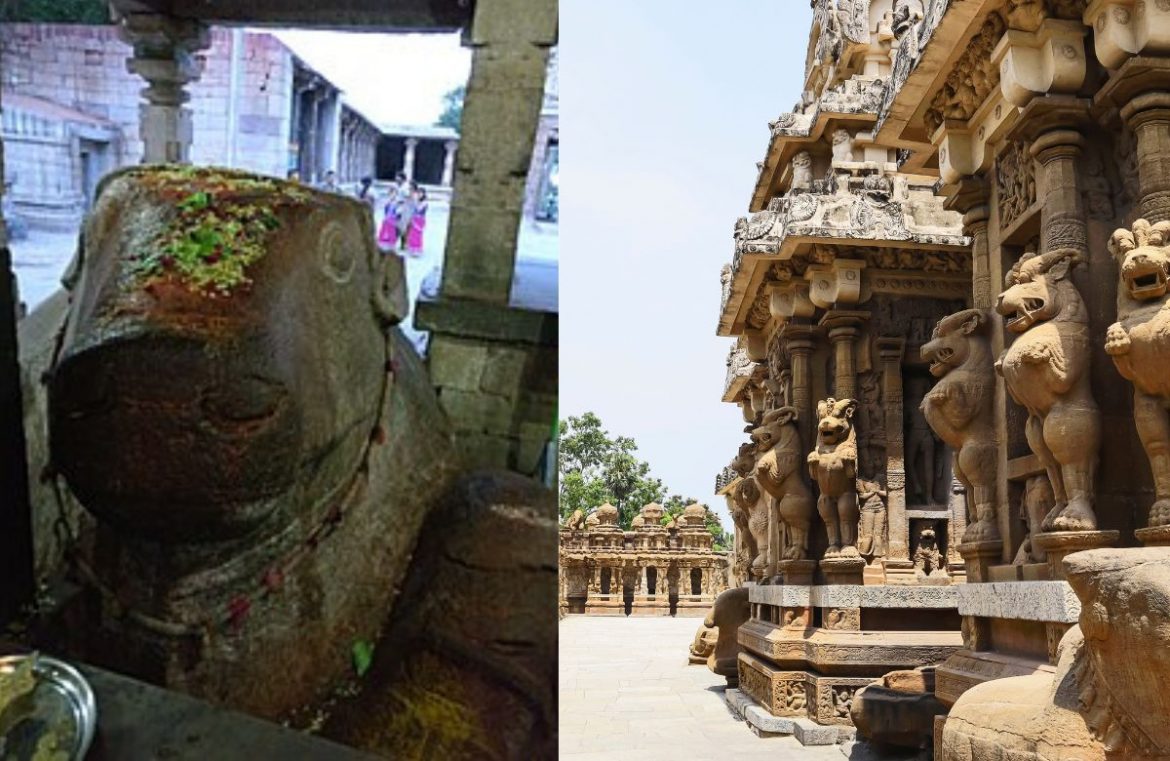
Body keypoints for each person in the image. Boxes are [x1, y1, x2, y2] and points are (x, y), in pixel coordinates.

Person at [406, 187, 428, 257]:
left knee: (417, 235)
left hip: (420, 220)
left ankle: (417, 250)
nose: (419, 194)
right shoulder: (416, 201)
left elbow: (419, 209)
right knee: (412, 234)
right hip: (414, 218)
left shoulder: (424, 203)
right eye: (418, 193)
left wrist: (415, 202)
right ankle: (411, 249)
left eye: (421, 193)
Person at [377, 185, 400, 252]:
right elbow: (383, 209)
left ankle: (391, 245)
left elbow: (398, 212)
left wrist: (395, 216)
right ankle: (383, 244)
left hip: (392, 220)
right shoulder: (387, 201)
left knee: (391, 232)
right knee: (384, 231)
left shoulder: (396, 203)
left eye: (395, 194)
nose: (393, 195)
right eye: (391, 193)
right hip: (386, 219)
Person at [396, 181, 417, 251]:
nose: (409, 189)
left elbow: (415, 205)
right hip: (404, 213)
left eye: (411, 187)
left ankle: (406, 244)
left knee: (408, 230)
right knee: (401, 228)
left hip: (410, 214)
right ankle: (402, 244)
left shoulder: (415, 196)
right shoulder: (407, 194)